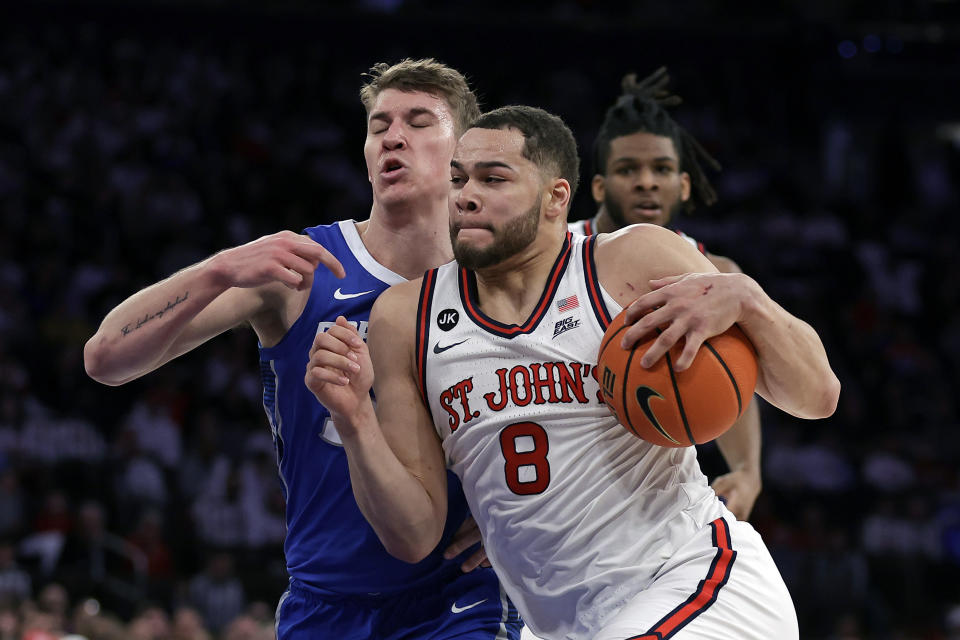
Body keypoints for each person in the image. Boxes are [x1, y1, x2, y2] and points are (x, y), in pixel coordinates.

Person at [306, 105, 840, 640]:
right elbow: (414, 536)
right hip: (563, 627)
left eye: (493, 179)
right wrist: (355, 421)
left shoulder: (632, 262)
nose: (466, 195)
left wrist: (750, 300)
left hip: (696, 579)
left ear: (555, 198)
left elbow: (817, 395)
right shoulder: (406, 317)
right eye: (458, 178)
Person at [84, 59, 521, 640]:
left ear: (464, 153)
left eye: (419, 122)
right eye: (379, 125)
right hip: (324, 601)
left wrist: (526, 519)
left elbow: (584, 417)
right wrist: (217, 270)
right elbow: (106, 357)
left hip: (460, 600)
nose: (393, 136)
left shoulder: (505, 282)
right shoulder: (303, 269)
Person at [569, 67, 762, 520]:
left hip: (653, 502)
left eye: (661, 169)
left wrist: (748, 471)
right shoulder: (555, 255)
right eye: (627, 169)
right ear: (599, 187)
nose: (646, 182)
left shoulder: (718, 278)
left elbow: (735, 378)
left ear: (684, 184)